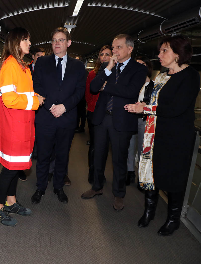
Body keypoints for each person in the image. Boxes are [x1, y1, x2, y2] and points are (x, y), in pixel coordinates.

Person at [125, 35, 200, 236]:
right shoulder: (162, 76)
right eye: (160, 51)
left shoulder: (191, 76)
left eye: (164, 50)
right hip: (154, 134)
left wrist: (146, 108)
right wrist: (142, 106)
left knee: (173, 177)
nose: (160, 55)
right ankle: (149, 211)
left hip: (176, 138)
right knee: (151, 173)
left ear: (178, 53)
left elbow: (176, 108)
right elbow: (152, 99)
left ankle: (173, 219)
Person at [81, 34, 147, 212]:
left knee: (119, 158)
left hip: (122, 120)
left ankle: (119, 194)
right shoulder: (107, 67)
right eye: (113, 47)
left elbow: (130, 92)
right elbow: (94, 87)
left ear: (129, 49)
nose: (114, 51)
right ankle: (97, 187)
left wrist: (107, 86)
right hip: (103, 118)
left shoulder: (138, 69)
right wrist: (108, 68)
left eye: (118, 47)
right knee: (98, 155)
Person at [0, 27, 45, 226]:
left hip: (22, 125)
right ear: (16, 42)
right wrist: (34, 101)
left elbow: (21, 93)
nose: (29, 43)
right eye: (26, 40)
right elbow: (9, 99)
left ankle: (11, 201)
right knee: (9, 169)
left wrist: (34, 97)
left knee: (16, 168)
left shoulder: (21, 65)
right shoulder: (10, 66)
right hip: (14, 127)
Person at [31, 27, 86, 204]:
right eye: (54, 40)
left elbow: (79, 92)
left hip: (67, 117)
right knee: (43, 155)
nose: (57, 43)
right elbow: (36, 87)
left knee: (62, 155)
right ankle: (40, 187)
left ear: (68, 43)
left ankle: (59, 187)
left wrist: (64, 107)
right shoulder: (42, 63)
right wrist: (50, 106)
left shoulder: (78, 66)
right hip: (45, 117)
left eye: (61, 40)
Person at [86, 45, 112, 184]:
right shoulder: (93, 74)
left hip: (108, 113)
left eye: (107, 54)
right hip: (94, 112)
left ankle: (99, 172)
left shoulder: (115, 73)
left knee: (104, 145)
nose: (104, 57)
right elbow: (88, 94)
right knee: (95, 145)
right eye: (101, 55)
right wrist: (92, 105)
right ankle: (93, 173)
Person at [126, 56, 154, 186]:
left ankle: (141, 178)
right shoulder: (133, 83)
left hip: (145, 120)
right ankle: (129, 172)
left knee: (143, 150)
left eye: (142, 64)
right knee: (130, 147)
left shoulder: (153, 85)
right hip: (131, 119)